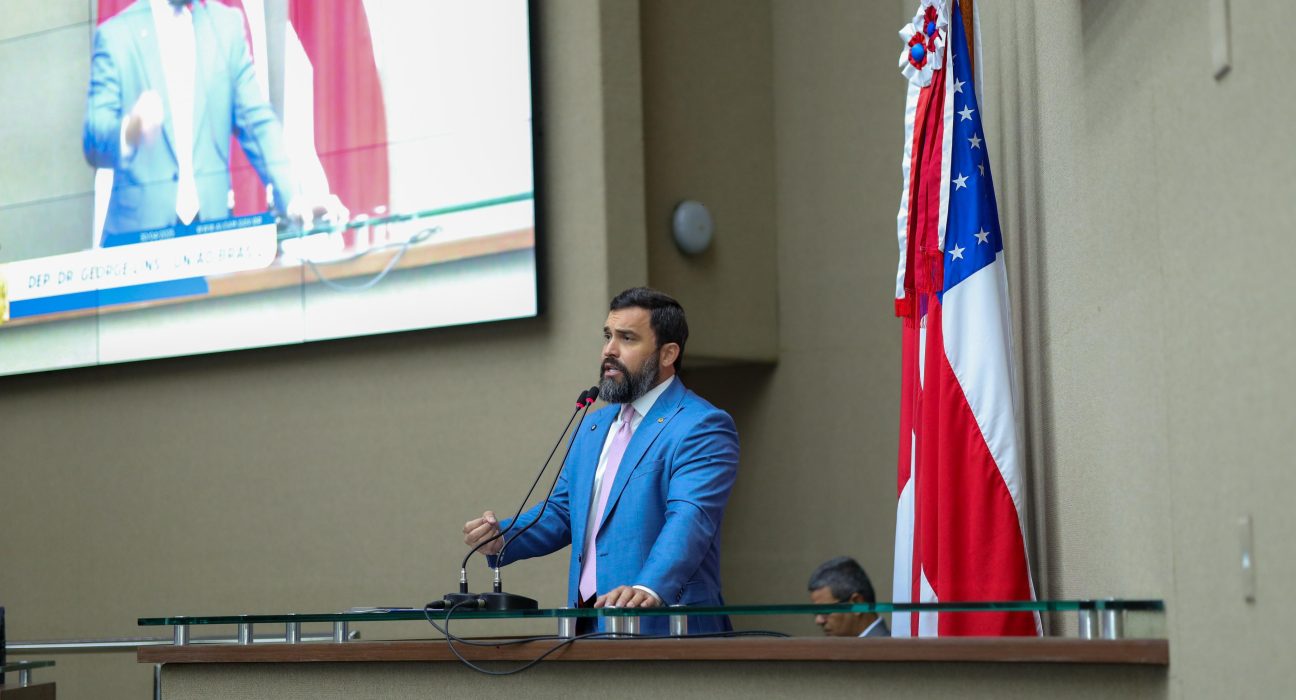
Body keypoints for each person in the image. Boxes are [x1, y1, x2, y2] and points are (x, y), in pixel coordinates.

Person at [463, 287, 740, 635]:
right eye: (608, 336)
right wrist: (504, 537)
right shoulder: (594, 425)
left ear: (668, 353)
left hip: (667, 623)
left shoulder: (699, 425)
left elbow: (690, 518)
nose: (609, 350)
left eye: (627, 338)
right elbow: (562, 512)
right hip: (588, 624)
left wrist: (648, 587)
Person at [83, 0, 345, 241]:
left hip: (211, 234)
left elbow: (257, 123)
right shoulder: (116, 36)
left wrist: (294, 198)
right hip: (139, 237)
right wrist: (132, 129)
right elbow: (94, 141)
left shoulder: (224, 26)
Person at [807, 556, 890, 638]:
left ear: (857, 604)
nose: (818, 620)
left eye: (825, 610)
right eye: (816, 612)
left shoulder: (888, 650)